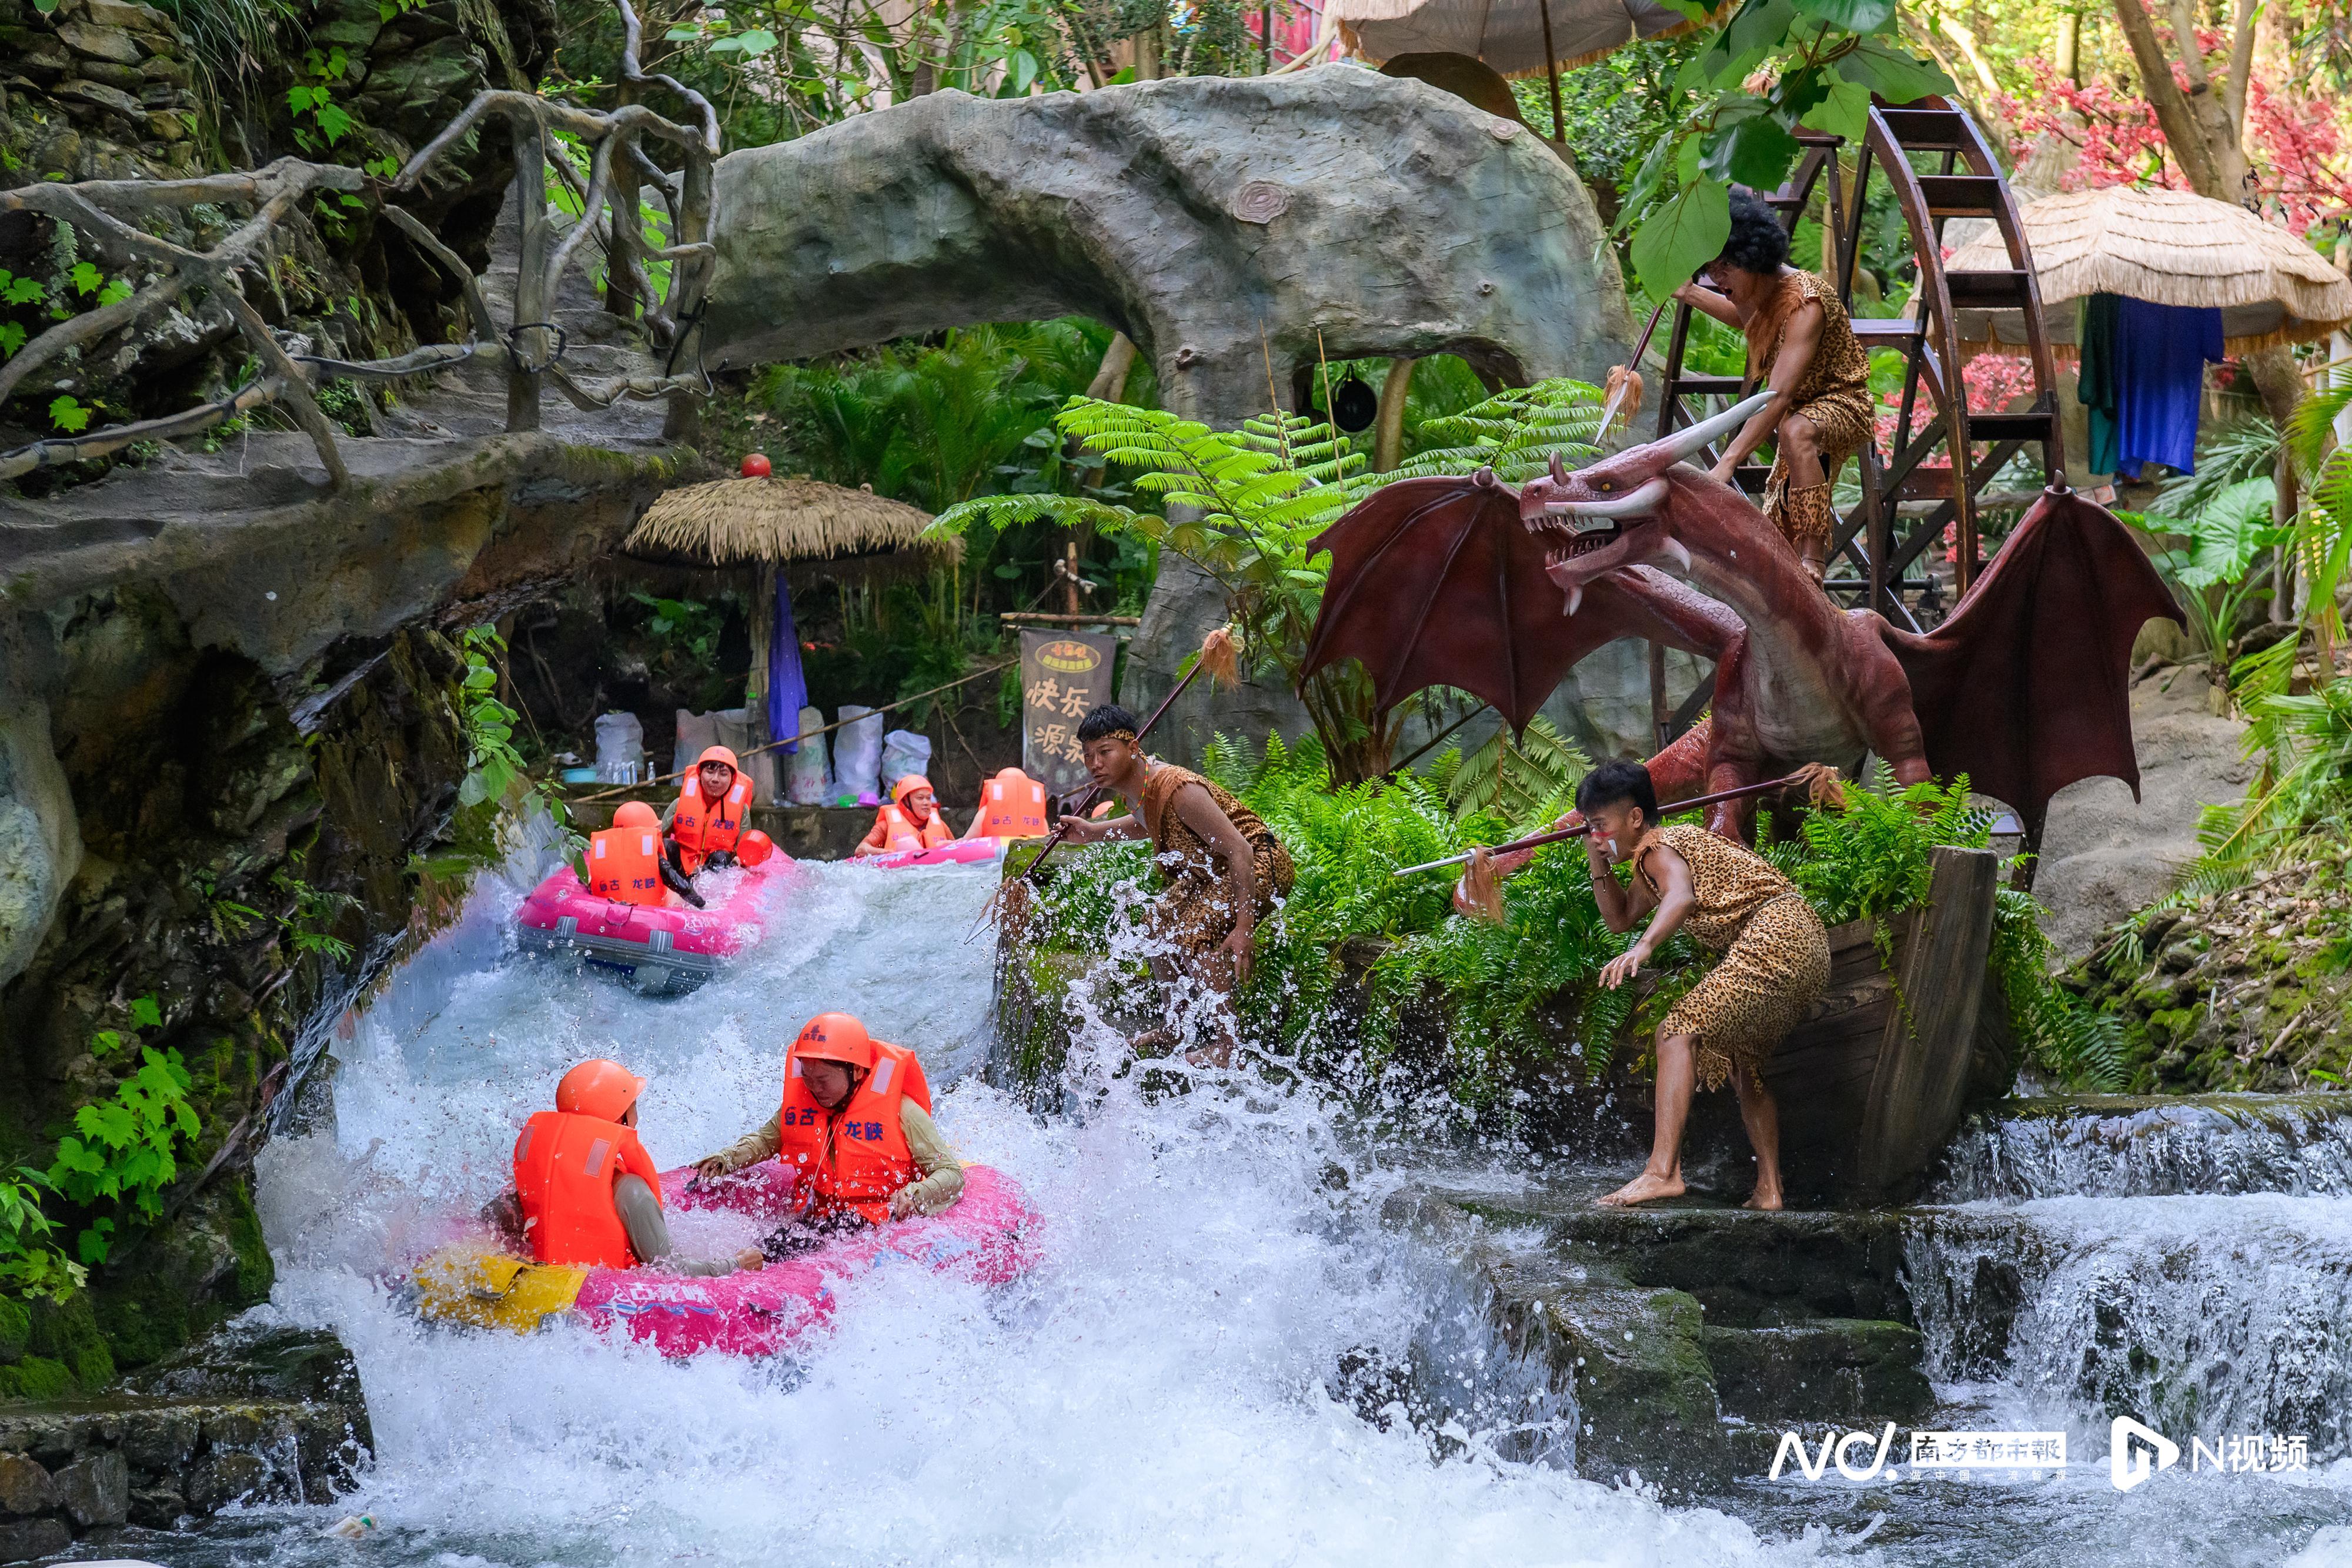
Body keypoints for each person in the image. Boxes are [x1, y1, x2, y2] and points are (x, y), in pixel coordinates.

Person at [1548, 761, 1829, 1211]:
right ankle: (1769, 1189)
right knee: (1743, 1062)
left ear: (1635, 817)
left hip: (1777, 935)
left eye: (1601, 825)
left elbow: (1681, 896)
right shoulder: (1654, 860)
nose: (1596, 835)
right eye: (1589, 827)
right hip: (1805, 943)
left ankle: (1662, 1172)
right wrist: (1596, 857)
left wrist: (1643, 949)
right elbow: (1620, 918)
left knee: (1676, 1032)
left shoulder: (1658, 847)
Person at [1051, 703, 1295, 1067]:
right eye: (1088, 755)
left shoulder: (1178, 788)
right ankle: (1175, 1027)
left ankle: (1228, 1045)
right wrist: (1091, 833)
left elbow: (1240, 850)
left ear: (1133, 748)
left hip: (1259, 864)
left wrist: (1244, 927)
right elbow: (1146, 821)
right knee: (1154, 926)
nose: (1095, 764)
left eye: (1105, 752)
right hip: (1209, 873)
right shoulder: (1141, 788)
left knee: (1195, 933)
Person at [1671, 185, 1875, 588]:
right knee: (1778, 528)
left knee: (1796, 430)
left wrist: (1729, 461)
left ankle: (1814, 558)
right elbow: (1746, 318)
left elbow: (1779, 394)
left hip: (1843, 402)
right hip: (1799, 411)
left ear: (1753, 256)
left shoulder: (1807, 302)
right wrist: (1690, 292)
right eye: (1710, 269)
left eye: (1726, 267)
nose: (1717, 278)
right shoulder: (1757, 288)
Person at [691, 1013, 964, 1255]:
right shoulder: (804, 1103)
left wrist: (916, 1194)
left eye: (823, 1080)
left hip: (877, 1219)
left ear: (856, 1071)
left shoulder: (903, 1111)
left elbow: (951, 1172)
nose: (814, 1089)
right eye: (808, 1079)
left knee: (779, 1248)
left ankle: (748, 1263)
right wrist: (727, 1159)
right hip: (821, 1216)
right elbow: (765, 1141)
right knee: (784, 1238)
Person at [489, 1058, 761, 1275]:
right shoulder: (631, 1191)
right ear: (622, 1118)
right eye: (632, 1104)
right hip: (601, 1300)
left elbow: (485, 1226)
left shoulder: (537, 1181)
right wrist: (736, 1264)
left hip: (550, 1287)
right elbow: (671, 1271)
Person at [584, 800, 704, 908]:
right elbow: (677, 883)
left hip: (608, 909)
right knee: (674, 893)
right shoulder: (655, 858)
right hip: (651, 911)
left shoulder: (603, 853)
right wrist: (701, 904)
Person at [663, 745, 754, 875]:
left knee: (721, 856)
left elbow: (744, 853)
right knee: (667, 845)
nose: (715, 779)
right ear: (700, 774)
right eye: (710, 772)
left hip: (714, 871)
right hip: (680, 871)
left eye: (723, 774)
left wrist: (740, 860)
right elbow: (658, 838)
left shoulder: (741, 810)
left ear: (732, 779)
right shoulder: (678, 804)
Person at [856, 773, 958, 856]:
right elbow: (861, 849)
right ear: (906, 801)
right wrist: (883, 853)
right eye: (920, 798)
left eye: (928, 798)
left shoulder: (939, 824)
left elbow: (957, 847)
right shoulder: (886, 825)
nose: (926, 803)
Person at [964, 766, 1050, 842]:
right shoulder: (1039, 816)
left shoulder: (985, 811)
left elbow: (968, 840)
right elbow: (1047, 839)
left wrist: (957, 841)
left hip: (995, 852)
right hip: (1029, 851)